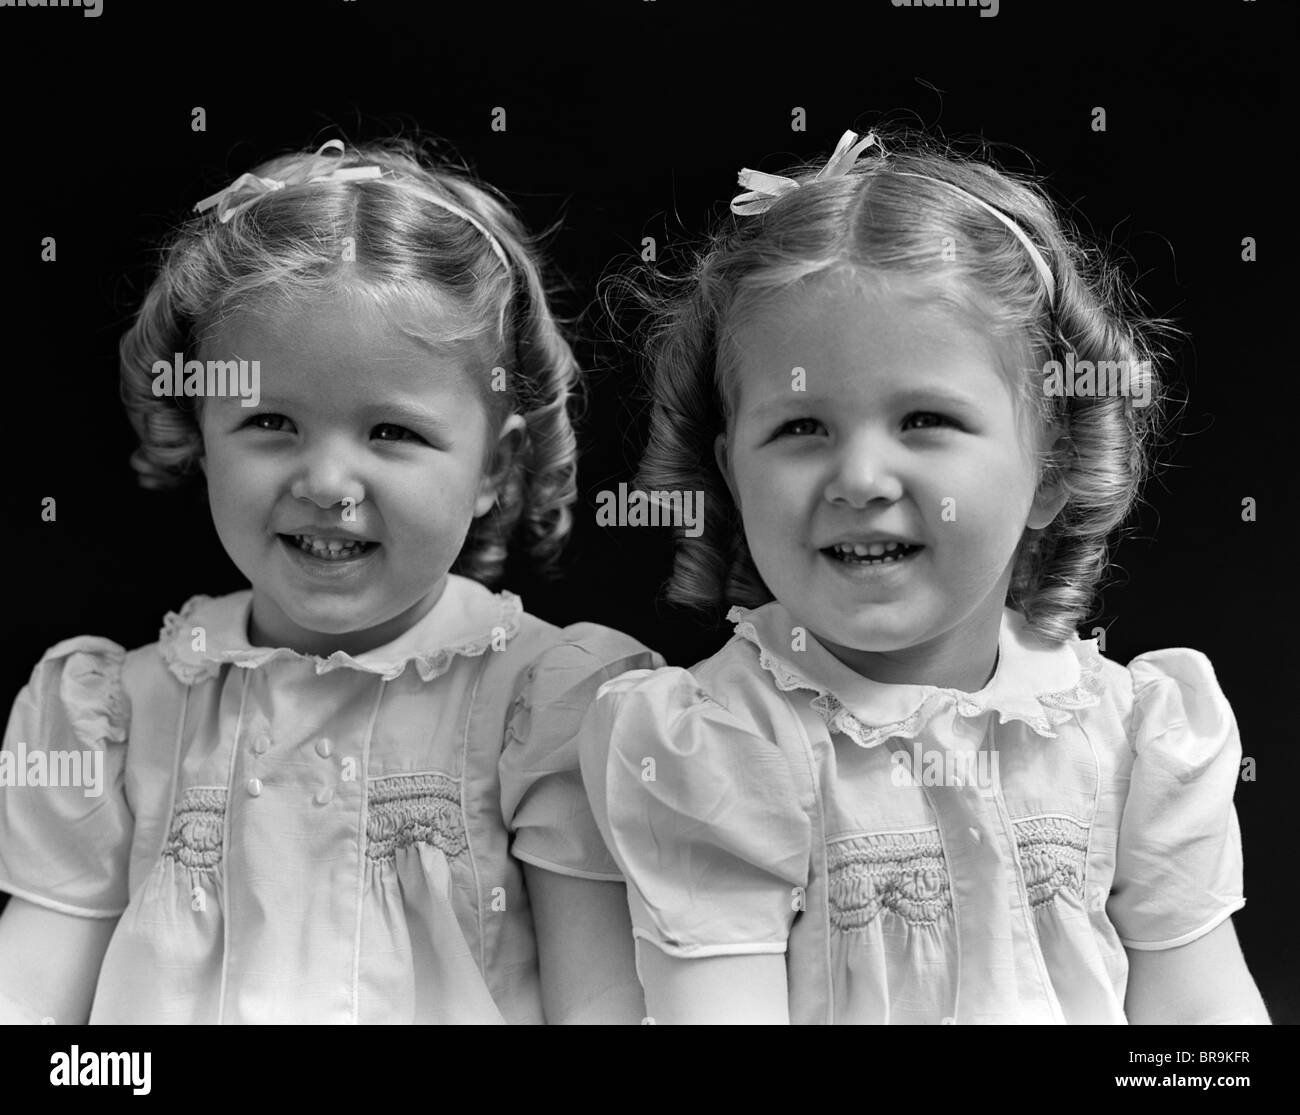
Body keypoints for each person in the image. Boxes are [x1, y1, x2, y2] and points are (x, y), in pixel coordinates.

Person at [579, 128, 1271, 1024]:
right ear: (731, 470)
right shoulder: (724, 745)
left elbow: (1204, 1024)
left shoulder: (1134, 736)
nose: (861, 478)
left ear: (1052, 465)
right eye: (800, 428)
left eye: (924, 418)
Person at [0, 138, 657, 1024]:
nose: (325, 483)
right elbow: (33, 995)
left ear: (497, 466)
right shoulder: (119, 713)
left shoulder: (542, 707)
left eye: (392, 431)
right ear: (201, 432)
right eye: (271, 421)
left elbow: (601, 1006)